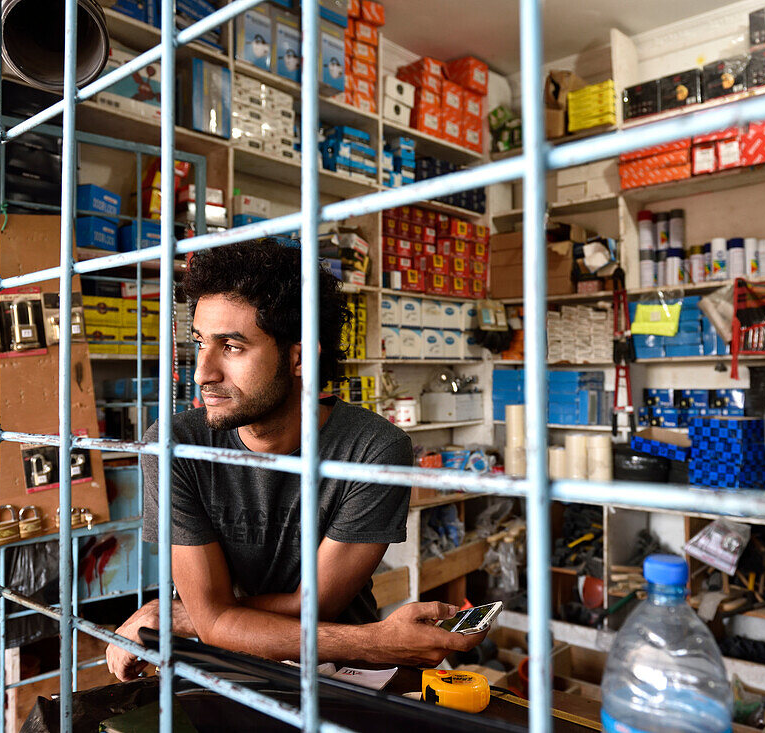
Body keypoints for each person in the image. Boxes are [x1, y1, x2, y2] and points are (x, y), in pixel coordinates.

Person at [106, 239, 483, 681]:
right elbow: (212, 621)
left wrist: (184, 616)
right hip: (219, 668)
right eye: (200, 343)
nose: (203, 372)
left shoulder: (372, 450)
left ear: (300, 356)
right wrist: (377, 642)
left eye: (230, 346)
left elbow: (312, 606)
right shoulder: (175, 447)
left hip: (335, 670)